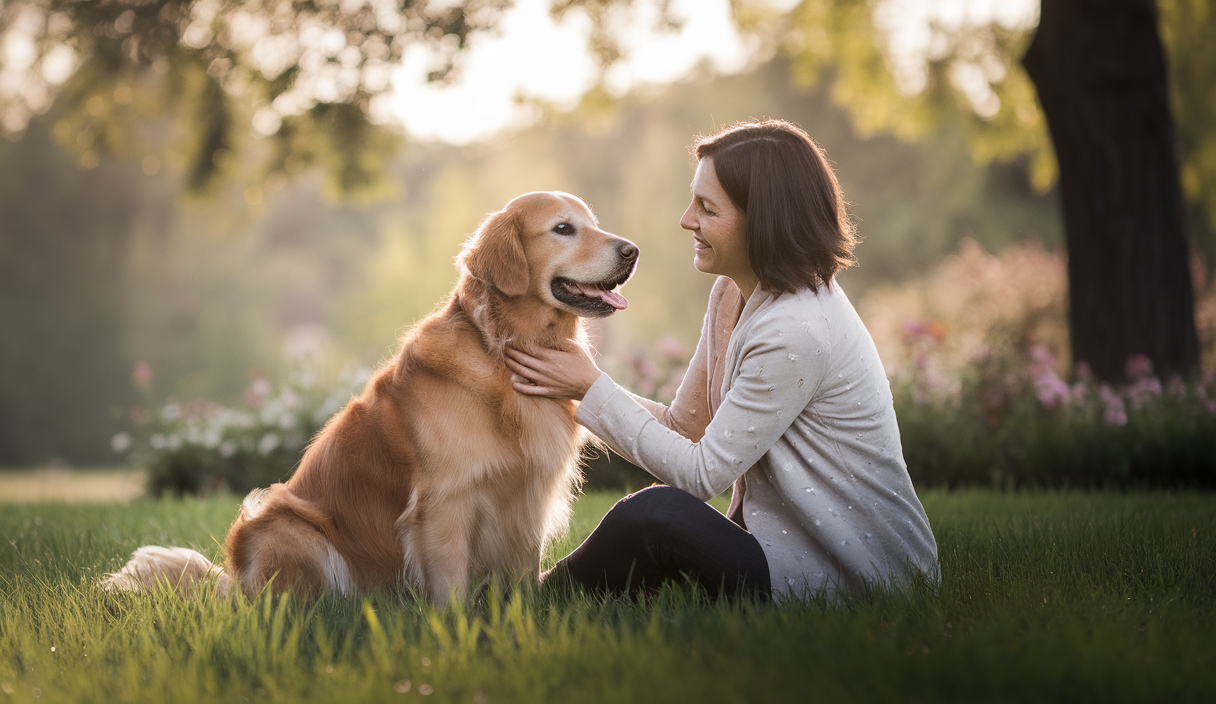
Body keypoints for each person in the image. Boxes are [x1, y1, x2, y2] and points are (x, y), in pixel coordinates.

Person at [505, 119, 938, 601]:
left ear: (763, 220)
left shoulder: (796, 329)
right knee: (655, 525)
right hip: (776, 547)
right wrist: (585, 384)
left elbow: (701, 477)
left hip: (858, 576)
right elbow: (684, 428)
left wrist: (591, 388)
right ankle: (539, 598)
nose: (687, 219)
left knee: (656, 515)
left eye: (707, 209)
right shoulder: (733, 293)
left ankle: (530, 601)